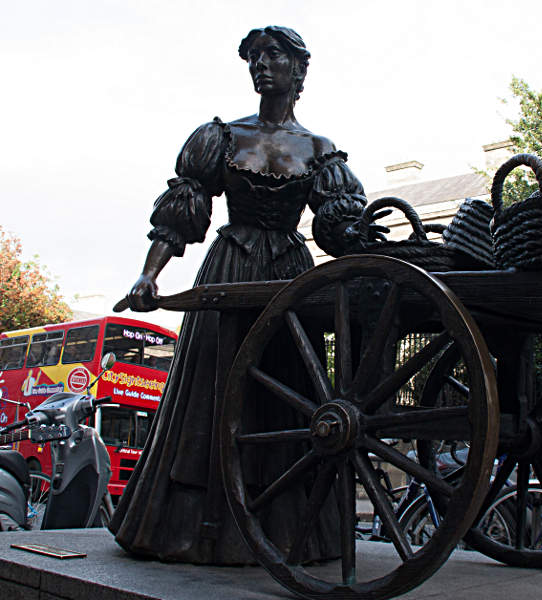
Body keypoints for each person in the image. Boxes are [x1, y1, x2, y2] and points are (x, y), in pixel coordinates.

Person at [108, 26, 380, 565]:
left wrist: (360, 236)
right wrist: (148, 275)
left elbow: (336, 226)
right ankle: (197, 528)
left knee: (285, 394)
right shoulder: (221, 136)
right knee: (213, 391)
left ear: (299, 70)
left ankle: (282, 530)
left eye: (274, 55)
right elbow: (182, 210)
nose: (262, 64)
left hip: (288, 280)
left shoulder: (321, 150)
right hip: (230, 267)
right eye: (254, 56)